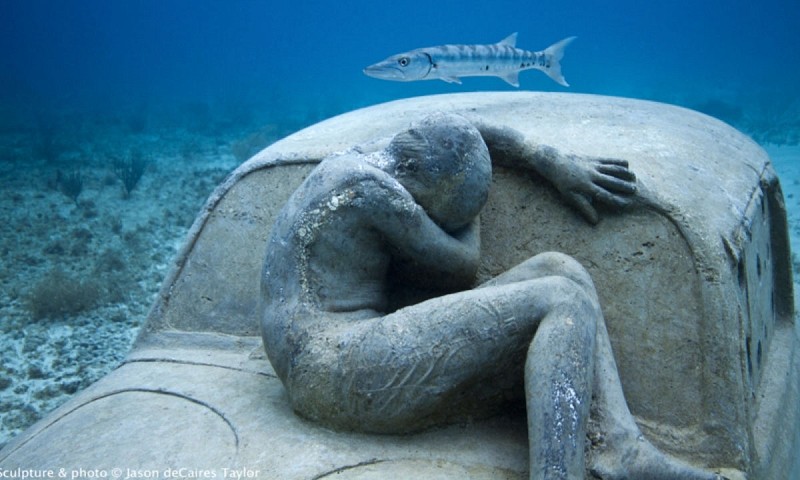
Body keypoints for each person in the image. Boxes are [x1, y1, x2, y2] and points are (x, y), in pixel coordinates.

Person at [260, 113, 724, 479]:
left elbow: (464, 130)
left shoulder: (378, 157)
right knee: (557, 301)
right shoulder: (372, 192)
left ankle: (620, 445)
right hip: (331, 371)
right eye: (446, 209)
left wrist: (550, 161)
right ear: (423, 182)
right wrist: (472, 209)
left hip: (341, 354)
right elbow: (462, 263)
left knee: (561, 269)